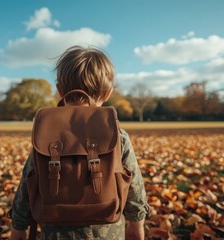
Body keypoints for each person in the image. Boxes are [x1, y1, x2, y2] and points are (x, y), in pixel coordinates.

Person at [10, 46, 149, 240]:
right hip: (108, 231)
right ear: (108, 93)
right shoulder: (116, 134)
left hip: (55, 232)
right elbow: (134, 182)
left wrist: (19, 226)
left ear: (59, 91)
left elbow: (29, 180)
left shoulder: (48, 134)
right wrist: (137, 222)